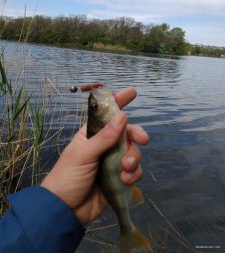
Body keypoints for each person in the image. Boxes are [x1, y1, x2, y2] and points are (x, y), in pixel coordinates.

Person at [0, 88, 149, 253]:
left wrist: (59, 202)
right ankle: (127, 230)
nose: (95, 101)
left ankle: (127, 230)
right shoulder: (109, 128)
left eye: (94, 106)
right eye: (94, 106)